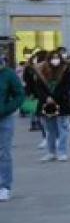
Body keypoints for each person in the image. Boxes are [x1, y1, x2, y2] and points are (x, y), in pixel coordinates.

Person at [29, 51, 70, 162]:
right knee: (50, 130)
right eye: (53, 58)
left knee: (63, 129)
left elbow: (67, 86)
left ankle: (62, 152)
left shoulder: (65, 70)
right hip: (47, 104)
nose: (55, 60)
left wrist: (55, 97)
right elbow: (38, 88)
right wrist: (47, 98)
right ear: (48, 59)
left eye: (57, 57)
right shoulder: (41, 70)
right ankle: (51, 152)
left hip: (62, 103)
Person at [0, 55, 25, 201]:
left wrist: (6, 109)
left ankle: (5, 186)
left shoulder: (8, 74)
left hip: (4, 119)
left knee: (4, 153)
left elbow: (19, 94)